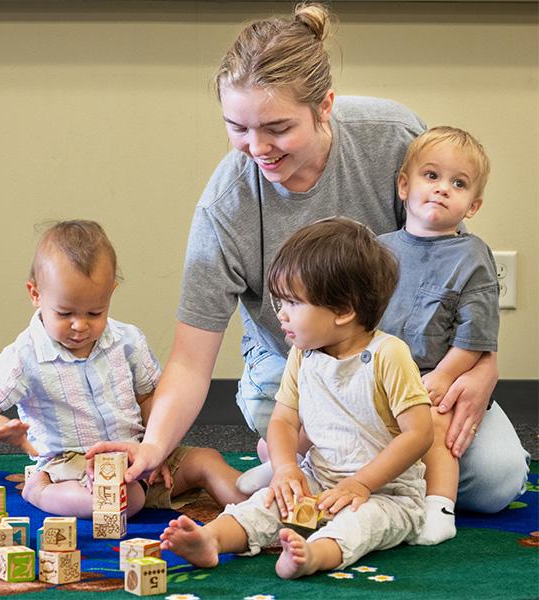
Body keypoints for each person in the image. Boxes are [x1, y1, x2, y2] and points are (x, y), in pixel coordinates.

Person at [86, 3, 528, 516]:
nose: (257, 148)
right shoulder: (226, 206)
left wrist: (482, 367)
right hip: (296, 360)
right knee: (356, 468)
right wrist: (153, 448)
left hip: (406, 360)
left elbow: (456, 269)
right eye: (237, 127)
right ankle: (303, 463)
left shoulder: (393, 137)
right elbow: (189, 360)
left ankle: (303, 467)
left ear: (325, 106)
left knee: (493, 482)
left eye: (277, 128)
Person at [160, 217, 433, 579]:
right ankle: (212, 539)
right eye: (279, 301)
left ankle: (315, 555)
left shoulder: (389, 354)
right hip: (318, 480)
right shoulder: (304, 354)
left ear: (344, 310)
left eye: (292, 302)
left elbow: (419, 434)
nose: (281, 314)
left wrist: (362, 483)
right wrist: (287, 468)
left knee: (361, 523)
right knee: (265, 503)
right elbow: (284, 420)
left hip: (388, 493)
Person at [0, 220, 246, 518]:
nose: (80, 325)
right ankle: (40, 490)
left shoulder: (128, 341)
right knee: (124, 499)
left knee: (207, 460)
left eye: (94, 312)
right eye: (65, 313)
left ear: (111, 292)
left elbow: (149, 397)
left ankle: (260, 510)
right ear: (36, 294)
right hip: (71, 467)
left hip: (137, 454)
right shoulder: (24, 355)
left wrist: (157, 448)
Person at [378, 127, 529, 544]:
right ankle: (289, 467)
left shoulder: (472, 257)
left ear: (473, 204)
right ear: (404, 185)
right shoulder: (377, 249)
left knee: (435, 422)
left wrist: (443, 377)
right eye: (432, 176)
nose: (443, 189)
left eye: (458, 183)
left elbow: (474, 338)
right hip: (377, 376)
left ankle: (438, 508)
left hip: (439, 376)